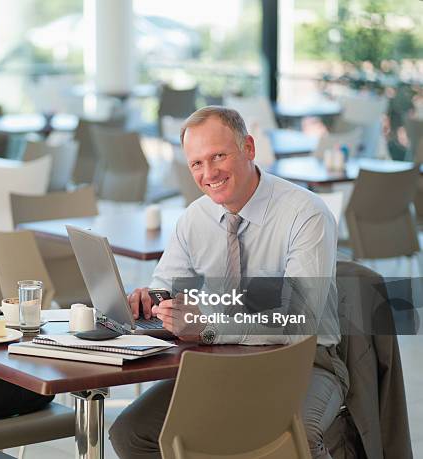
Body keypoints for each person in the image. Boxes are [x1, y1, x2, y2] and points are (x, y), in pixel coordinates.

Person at [109, 106, 349, 459]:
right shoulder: (194, 218)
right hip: (219, 363)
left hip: (305, 361)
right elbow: (167, 284)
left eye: (219, 156)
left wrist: (209, 327)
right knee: (132, 433)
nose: (209, 173)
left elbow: (300, 319)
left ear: (249, 148)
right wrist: (152, 300)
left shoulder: (306, 213)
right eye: (197, 164)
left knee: (298, 435)